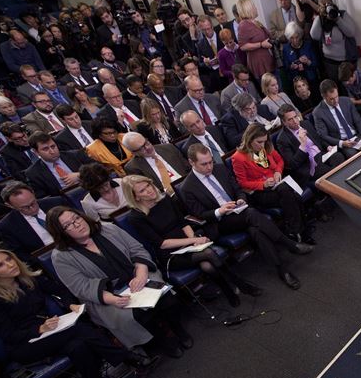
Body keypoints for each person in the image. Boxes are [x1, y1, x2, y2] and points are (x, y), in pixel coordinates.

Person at [0, 247, 148, 378]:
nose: (9, 264)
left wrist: (70, 304)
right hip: (25, 343)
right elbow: (8, 335)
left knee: (77, 346)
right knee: (77, 329)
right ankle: (124, 356)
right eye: (0, 265)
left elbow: (60, 290)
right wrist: (39, 329)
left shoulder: (27, 279)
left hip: (52, 331)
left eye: (8, 259)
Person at [48, 206, 192, 358]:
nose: (77, 224)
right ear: (61, 233)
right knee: (136, 315)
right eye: (68, 225)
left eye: (76, 218)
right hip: (107, 295)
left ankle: (179, 330)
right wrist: (114, 299)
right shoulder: (61, 257)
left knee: (165, 297)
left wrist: (141, 274)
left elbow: (137, 249)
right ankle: (162, 342)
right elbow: (82, 287)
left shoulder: (107, 229)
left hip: (137, 274)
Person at [182, 143, 313, 289]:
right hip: (220, 223)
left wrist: (241, 198)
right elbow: (200, 215)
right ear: (191, 162)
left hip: (240, 211)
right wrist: (220, 210)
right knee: (251, 214)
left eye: (210, 162)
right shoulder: (187, 187)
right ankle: (290, 244)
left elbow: (238, 189)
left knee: (255, 230)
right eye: (204, 164)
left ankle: (282, 270)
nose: (209, 167)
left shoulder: (219, 169)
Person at [123, 175, 257, 307]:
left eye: (148, 185)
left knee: (207, 264)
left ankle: (229, 292)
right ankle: (240, 284)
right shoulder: (136, 217)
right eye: (142, 190)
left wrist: (194, 241)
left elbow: (183, 222)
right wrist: (192, 241)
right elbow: (162, 244)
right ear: (135, 197)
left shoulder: (165, 199)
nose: (149, 190)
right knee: (208, 254)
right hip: (170, 254)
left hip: (188, 242)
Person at [231, 124, 313, 244]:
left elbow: (280, 161)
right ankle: (301, 230)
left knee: (289, 193)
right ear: (249, 139)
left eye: (264, 141)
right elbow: (242, 183)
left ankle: (296, 231)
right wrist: (263, 184)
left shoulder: (267, 146)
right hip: (260, 193)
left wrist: (278, 172)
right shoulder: (238, 158)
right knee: (289, 193)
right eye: (259, 142)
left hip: (277, 185)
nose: (262, 145)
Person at [275, 104, 345, 188]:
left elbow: (318, 139)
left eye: (295, 117)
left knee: (338, 156)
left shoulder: (305, 124)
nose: (295, 121)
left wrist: (327, 146)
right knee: (327, 171)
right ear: (284, 122)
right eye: (290, 119)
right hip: (309, 164)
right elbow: (293, 164)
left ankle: (343, 186)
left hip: (322, 155)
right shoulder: (282, 140)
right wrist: (303, 145)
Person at [0, 181, 65, 263]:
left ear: (33, 193)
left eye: (33, 203)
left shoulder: (57, 203)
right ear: (10, 205)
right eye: (25, 207)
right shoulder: (7, 226)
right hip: (50, 261)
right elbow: (22, 256)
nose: (32, 208)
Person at [312, 79, 361, 158]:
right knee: (355, 156)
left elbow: (358, 120)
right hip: (343, 142)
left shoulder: (346, 101)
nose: (336, 101)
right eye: (331, 99)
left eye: (336, 96)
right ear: (323, 96)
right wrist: (341, 143)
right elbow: (324, 135)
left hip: (357, 136)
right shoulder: (318, 112)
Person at [24, 132, 93, 198]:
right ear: (36, 152)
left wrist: (80, 175)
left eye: (53, 146)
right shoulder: (33, 174)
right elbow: (45, 199)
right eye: (45, 149)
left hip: (91, 191)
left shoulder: (75, 155)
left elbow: (99, 169)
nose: (52, 151)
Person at [122, 132, 189, 196]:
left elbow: (189, 168)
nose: (147, 148)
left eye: (146, 143)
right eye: (141, 148)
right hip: (169, 197)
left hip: (188, 185)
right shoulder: (133, 167)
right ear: (134, 153)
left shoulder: (168, 148)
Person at [310, 0, 356, 84]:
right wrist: (320, 17)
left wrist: (337, 19)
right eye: (323, 5)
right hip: (329, 62)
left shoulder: (342, 15)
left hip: (345, 61)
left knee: (347, 87)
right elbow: (314, 35)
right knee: (334, 86)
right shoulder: (320, 19)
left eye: (328, 3)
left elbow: (351, 33)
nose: (326, 6)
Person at [236, 0, 275, 81]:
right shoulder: (243, 25)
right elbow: (242, 46)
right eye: (253, 6)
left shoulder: (255, 22)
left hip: (268, 60)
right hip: (259, 64)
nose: (256, 8)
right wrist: (261, 44)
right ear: (248, 9)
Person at [282, 22, 318, 90]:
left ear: (300, 35)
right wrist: (291, 67)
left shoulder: (308, 45)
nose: (295, 40)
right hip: (296, 83)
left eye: (296, 37)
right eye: (291, 38)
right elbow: (286, 67)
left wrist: (308, 62)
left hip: (311, 79)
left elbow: (316, 63)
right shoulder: (286, 48)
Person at [196, 15, 225, 93]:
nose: (207, 32)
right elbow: (200, 64)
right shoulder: (200, 44)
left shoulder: (222, 34)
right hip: (216, 78)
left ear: (212, 26)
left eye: (208, 28)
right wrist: (206, 63)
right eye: (204, 30)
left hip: (229, 71)